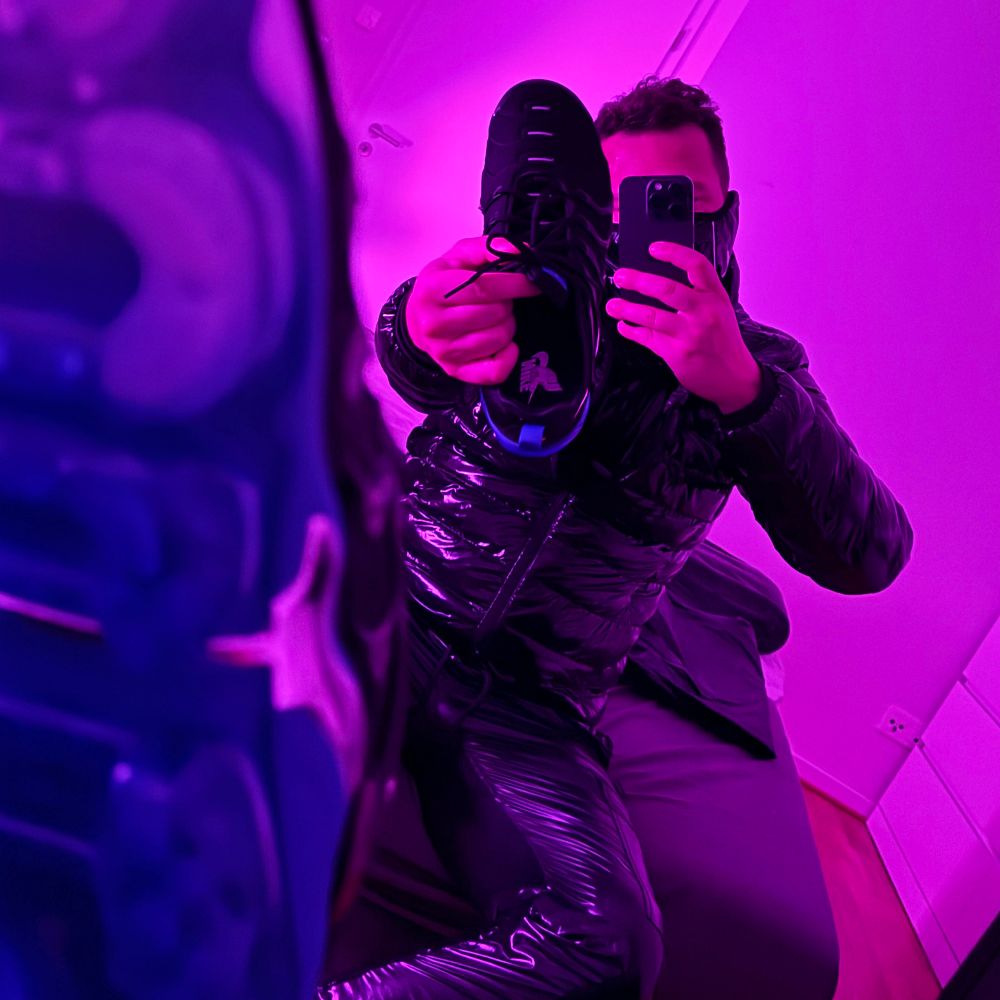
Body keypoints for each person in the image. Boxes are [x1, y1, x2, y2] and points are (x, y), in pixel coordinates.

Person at [320, 76, 913, 999]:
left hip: (528, 703)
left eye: (670, 204)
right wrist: (414, 325)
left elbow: (869, 554)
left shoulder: (760, 367)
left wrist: (745, 392)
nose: (643, 233)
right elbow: (412, 371)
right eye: (620, 205)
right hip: (391, 603)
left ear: (725, 216)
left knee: (610, 950)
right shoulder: (532, 299)